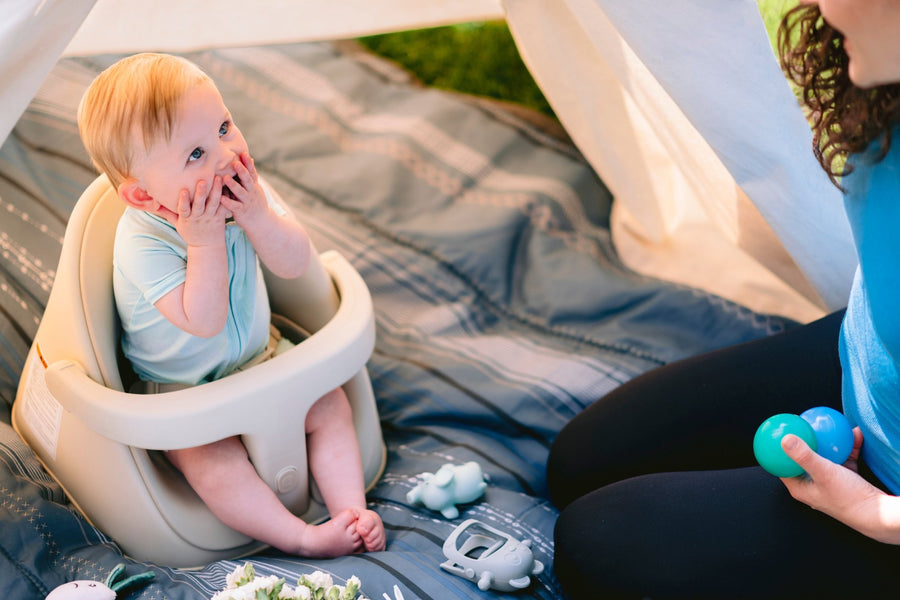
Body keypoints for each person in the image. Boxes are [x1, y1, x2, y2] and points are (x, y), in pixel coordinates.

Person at [548, 1, 900, 597]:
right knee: (580, 461)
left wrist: (876, 513)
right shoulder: (882, 72)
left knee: (597, 542)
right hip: (871, 362)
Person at [77, 53, 385, 558]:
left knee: (330, 403)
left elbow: (294, 264)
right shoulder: (142, 244)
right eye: (195, 154)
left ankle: (351, 511)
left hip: (261, 356)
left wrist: (260, 216)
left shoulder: (242, 196)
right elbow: (204, 320)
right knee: (211, 464)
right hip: (183, 391)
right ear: (144, 197)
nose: (224, 155)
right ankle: (300, 538)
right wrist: (204, 244)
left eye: (224, 127)